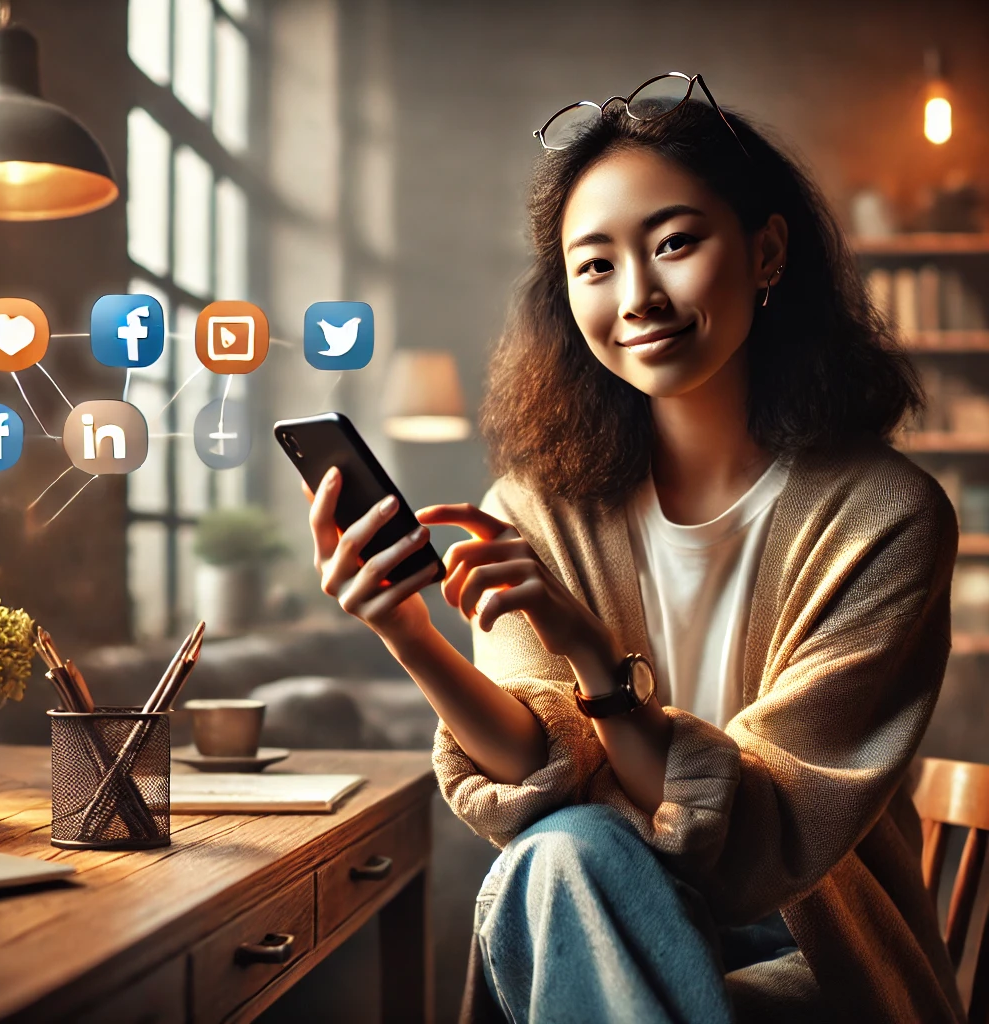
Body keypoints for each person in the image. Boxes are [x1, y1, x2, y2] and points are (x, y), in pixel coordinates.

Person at [302, 75, 964, 1023]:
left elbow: (760, 841)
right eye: (596, 265)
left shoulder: (888, 517)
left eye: (674, 243)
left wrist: (589, 652)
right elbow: (542, 771)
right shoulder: (533, 508)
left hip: (811, 947)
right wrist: (406, 630)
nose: (639, 295)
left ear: (766, 251)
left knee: (573, 864)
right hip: (589, 903)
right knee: (570, 850)